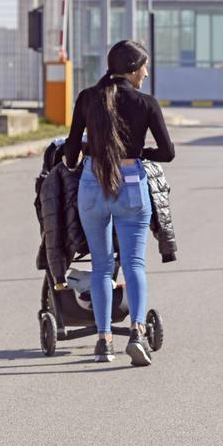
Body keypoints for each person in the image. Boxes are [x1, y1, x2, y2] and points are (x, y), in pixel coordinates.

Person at [62, 39, 175, 366]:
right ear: (132, 69)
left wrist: (87, 150)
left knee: (100, 265)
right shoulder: (146, 103)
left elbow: (71, 153)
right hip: (131, 185)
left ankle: (104, 341)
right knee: (134, 263)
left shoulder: (87, 98)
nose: (147, 73)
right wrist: (139, 154)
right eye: (144, 67)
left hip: (92, 184)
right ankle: (137, 333)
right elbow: (167, 153)